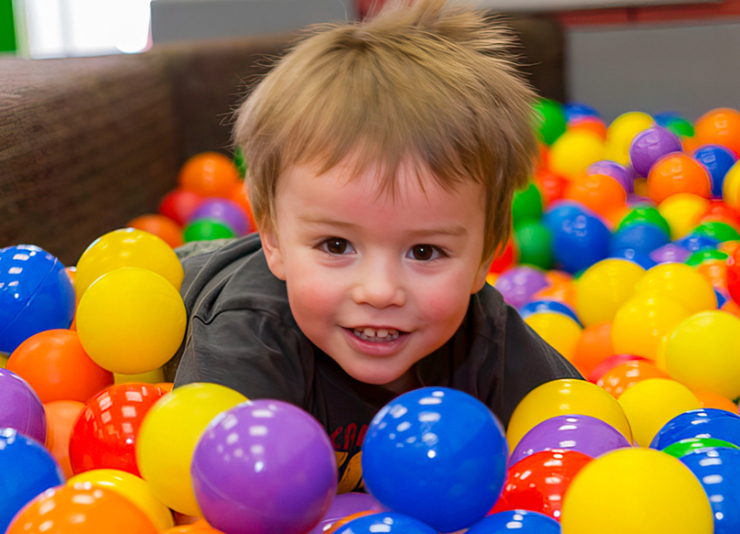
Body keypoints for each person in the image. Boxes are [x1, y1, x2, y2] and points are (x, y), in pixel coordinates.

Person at [168, 0, 581, 492]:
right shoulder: (250, 331)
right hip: (171, 280)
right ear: (274, 239)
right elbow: (220, 492)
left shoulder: (484, 336)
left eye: (424, 252)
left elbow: (579, 436)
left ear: (485, 257)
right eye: (337, 244)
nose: (380, 291)